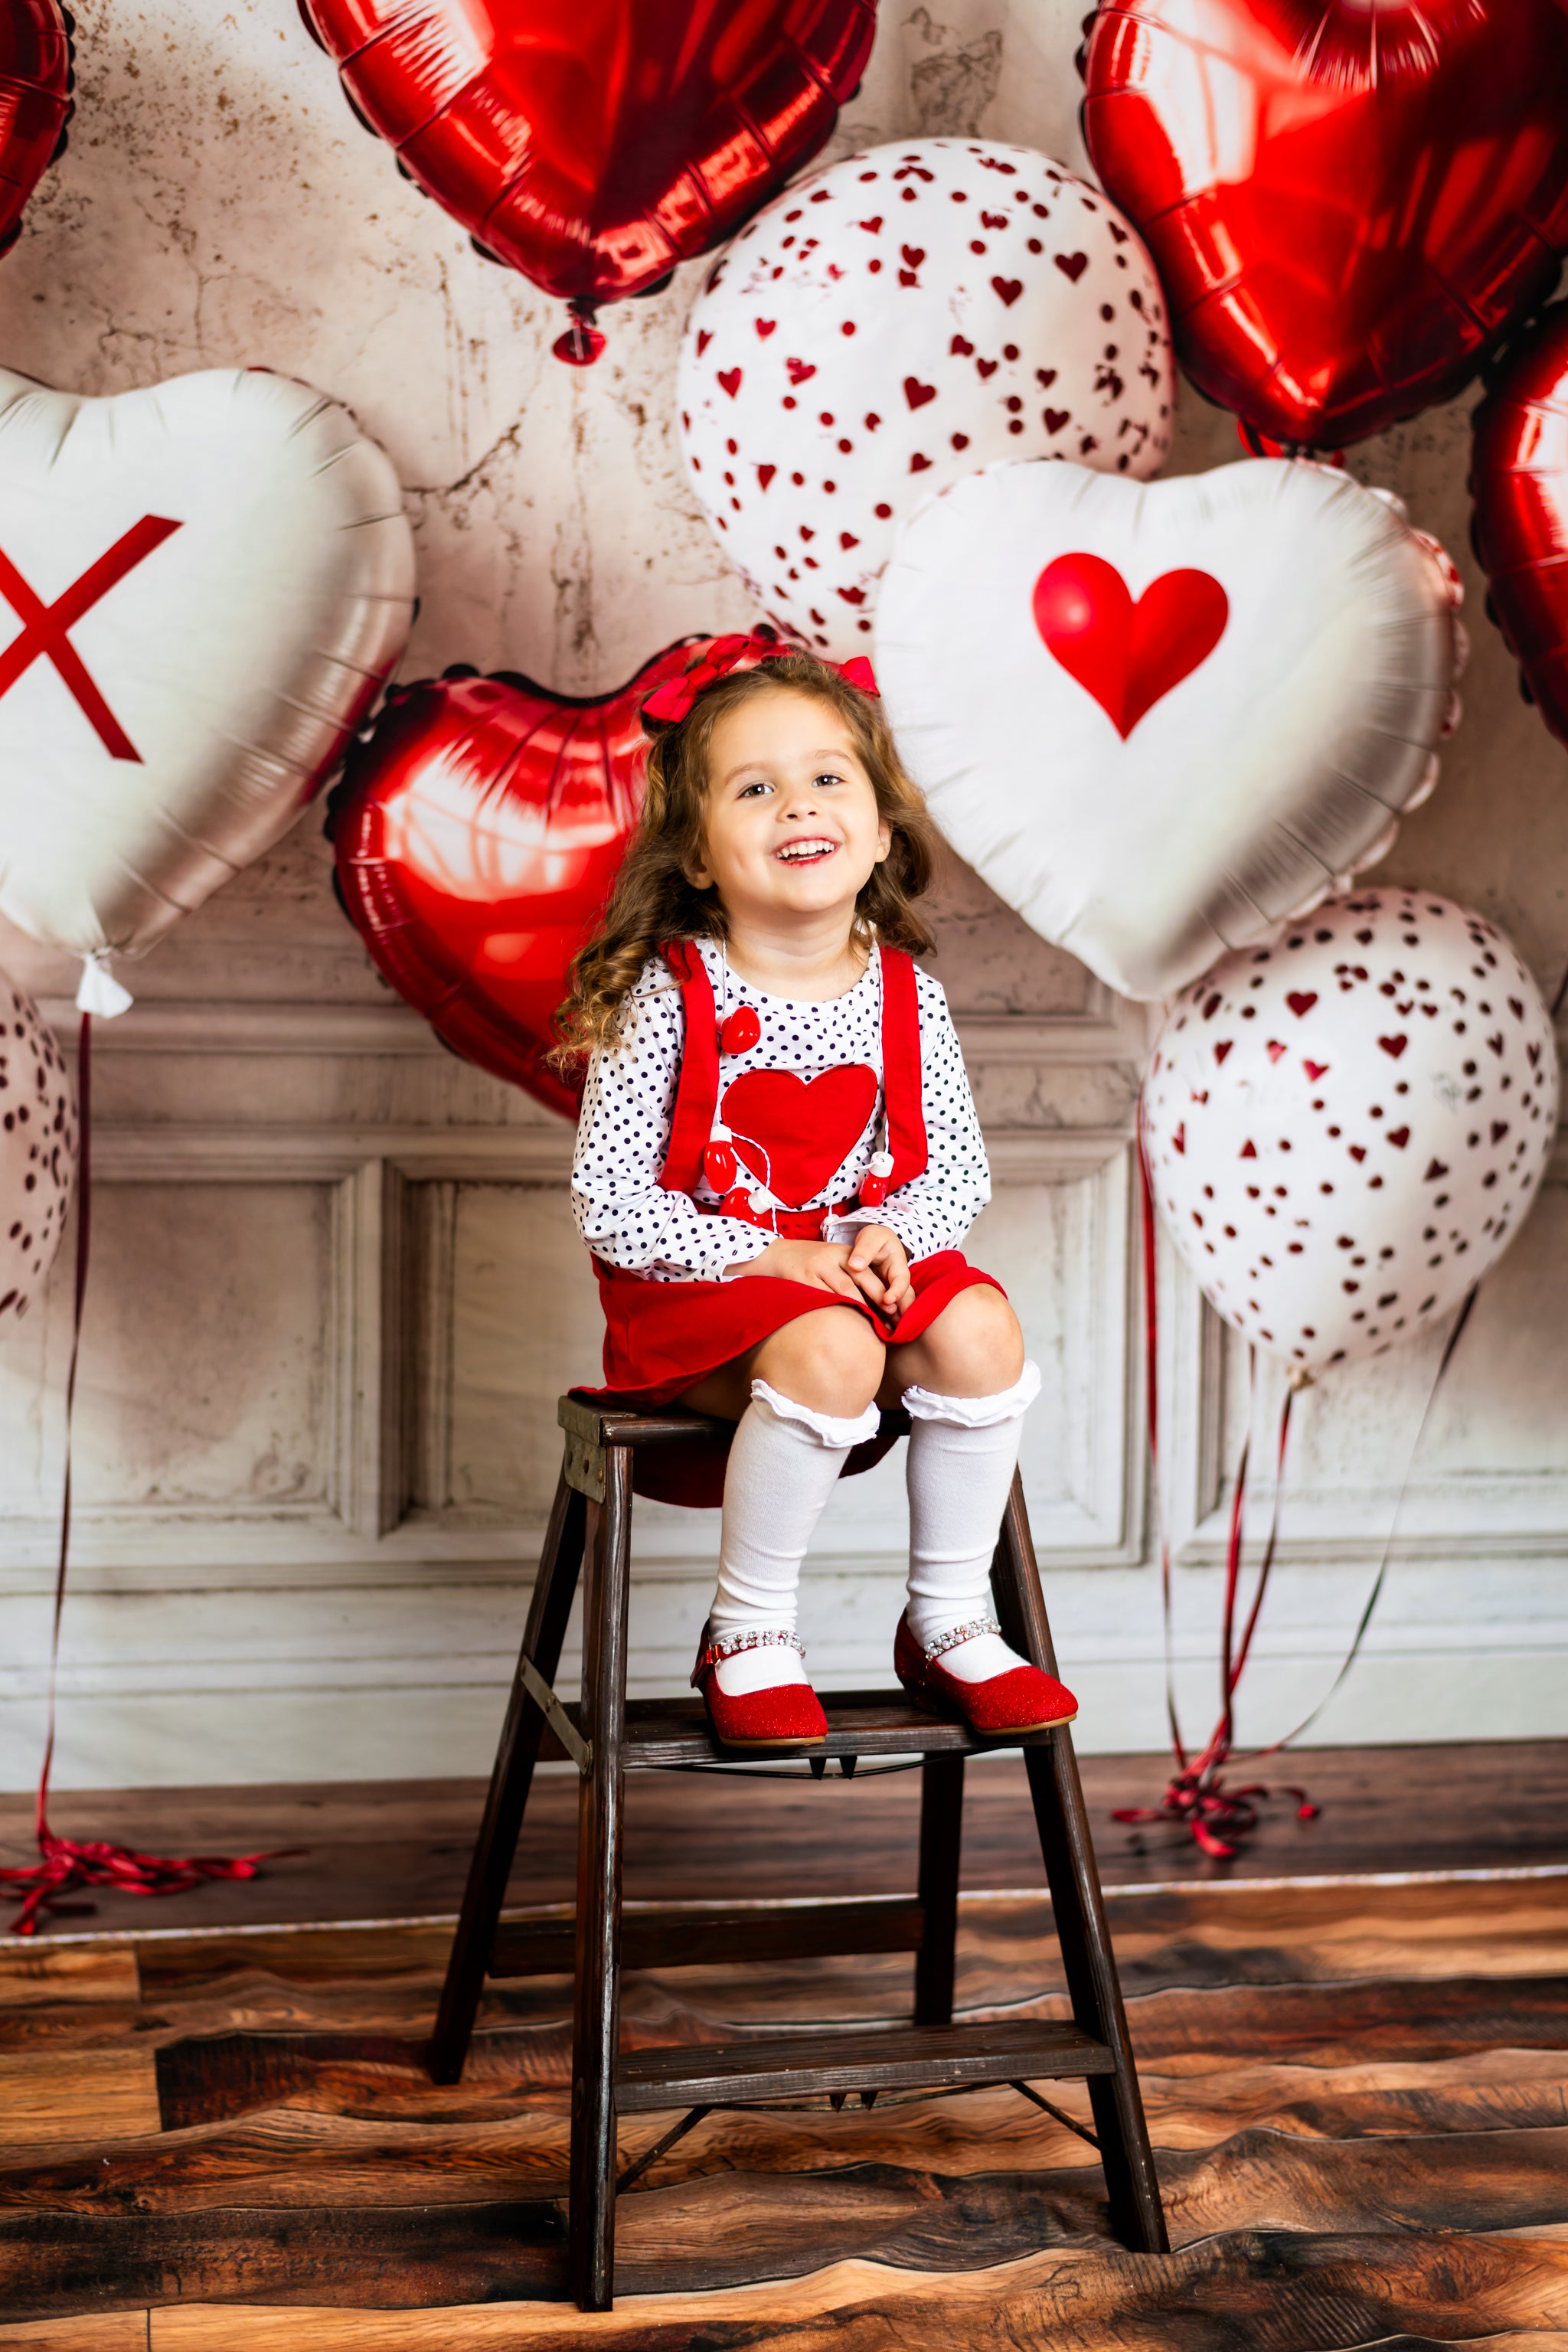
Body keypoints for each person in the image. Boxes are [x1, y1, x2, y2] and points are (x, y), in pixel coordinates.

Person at [555, 632, 1077, 1751]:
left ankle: (945, 1621)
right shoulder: (668, 997)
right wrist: (777, 1260)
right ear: (696, 854)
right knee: (834, 1345)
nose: (799, 803)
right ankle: (746, 1635)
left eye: (828, 777)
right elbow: (612, 1207)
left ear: (881, 829)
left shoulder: (906, 996)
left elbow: (955, 1172)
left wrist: (893, 1230)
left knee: (982, 1325)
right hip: (703, 1297)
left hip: (850, 1273)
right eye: (756, 787)